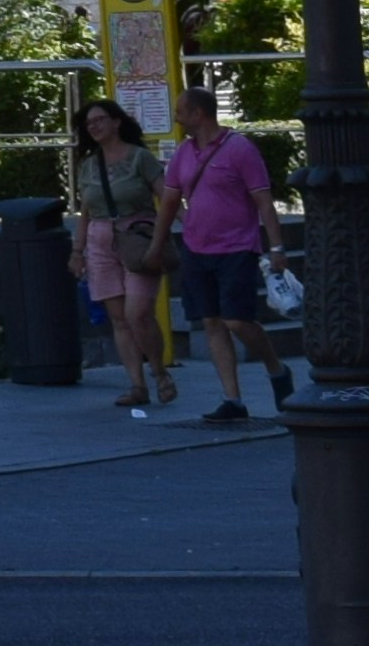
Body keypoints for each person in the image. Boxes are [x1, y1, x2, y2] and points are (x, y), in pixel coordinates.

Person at [158, 79, 286, 423]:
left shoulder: (239, 149)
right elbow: (169, 201)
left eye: (181, 113)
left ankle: (276, 368)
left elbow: (263, 201)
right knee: (211, 321)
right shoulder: (184, 152)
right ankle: (233, 398)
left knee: (237, 320)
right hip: (196, 247)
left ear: (199, 113)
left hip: (237, 247)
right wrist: (159, 242)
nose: (177, 119)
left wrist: (276, 247)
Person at [68, 100, 173, 413]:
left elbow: (166, 197)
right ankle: (137, 385)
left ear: (116, 122)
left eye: (100, 120)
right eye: (90, 124)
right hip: (100, 242)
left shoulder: (140, 157)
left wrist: (184, 226)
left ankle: (159, 371)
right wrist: (77, 250)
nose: (95, 126)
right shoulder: (88, 164)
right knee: (118, 318)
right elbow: (86, 211)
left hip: (137, 237)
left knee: (138, 312)